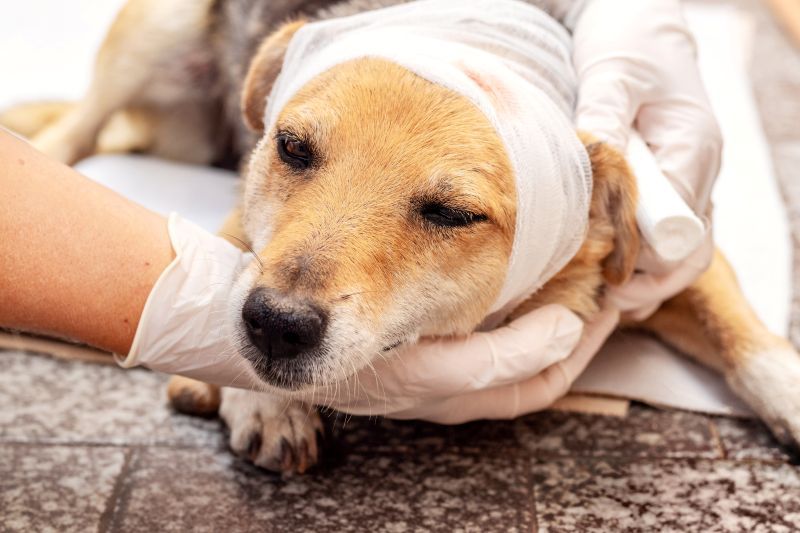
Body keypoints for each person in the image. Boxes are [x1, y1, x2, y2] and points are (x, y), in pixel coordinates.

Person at [0, 0, 721, 421]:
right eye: (295, 149)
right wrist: (201, 334)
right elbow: (263, 201)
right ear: (267, 111)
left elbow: (674, 272)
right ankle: (80, 129)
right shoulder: (304, 82)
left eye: (443, 210)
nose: (287, 299)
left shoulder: (576, 185)